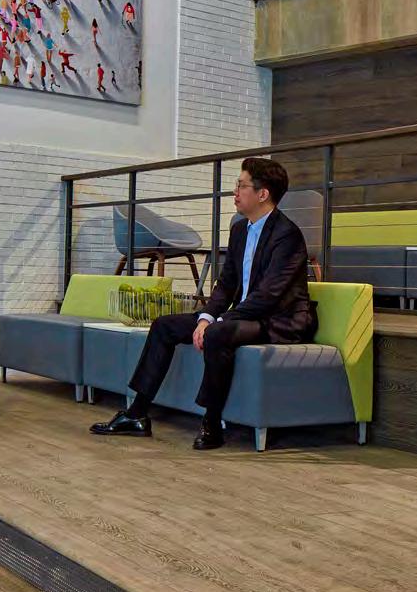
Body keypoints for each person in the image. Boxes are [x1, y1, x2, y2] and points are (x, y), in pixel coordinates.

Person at [92, 157, 318, 451]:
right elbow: (226, 284)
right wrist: (206, 317)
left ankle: (212, 423)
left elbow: (268, 296)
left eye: (241, 185)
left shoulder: (287, 235)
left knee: (218, 333)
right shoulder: (240, 229)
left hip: (280, 321)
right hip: (245, 316)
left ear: (263, 194)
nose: (235, 191)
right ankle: (137, 414)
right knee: (164, 326)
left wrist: (218, 322)